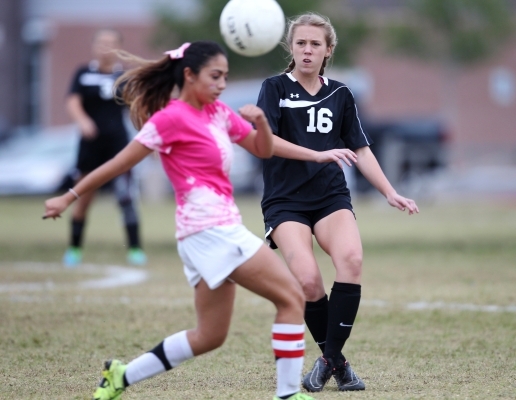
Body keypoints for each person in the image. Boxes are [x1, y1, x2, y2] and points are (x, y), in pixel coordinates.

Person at [44, 41, 314, 400]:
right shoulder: (169, 118)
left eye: (225, 77)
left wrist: (262, 122)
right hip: (211, 229)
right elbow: (117, 164)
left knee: (209, 336)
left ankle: (120, 376)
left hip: (204, 233)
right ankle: (288, 394)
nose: (221, 84)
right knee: (292, 297)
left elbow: (262, 149)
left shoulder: (218, 112)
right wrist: (70, 195)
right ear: (189, 74)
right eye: (214, 76)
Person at [256, 13, 419, 393]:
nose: (307, 51)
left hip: (330, 196)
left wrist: (389, 192)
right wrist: (315, 155)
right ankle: (340, 364)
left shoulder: (341, 93)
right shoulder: (274, 88)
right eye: (300, 43)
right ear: (291, 49)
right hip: (286, 201)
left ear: (328, 50)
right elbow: (265, 143)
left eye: (315, 44)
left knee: (352, 261)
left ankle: (329, 359)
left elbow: (361, 149)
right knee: (309, 280)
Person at [63, 28, 146, 267]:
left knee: (126, 197)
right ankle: (74, 249)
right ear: (93, 46)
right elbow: (72, 101)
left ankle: (135, 250)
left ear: (119, 48)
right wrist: (83, 121)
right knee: (83, 195)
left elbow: (136, 108)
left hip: (118, 145)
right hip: (90, 146)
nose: (105, 47)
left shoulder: (125, 78)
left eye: (111, 43)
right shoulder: (83, 73)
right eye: (101, 42)